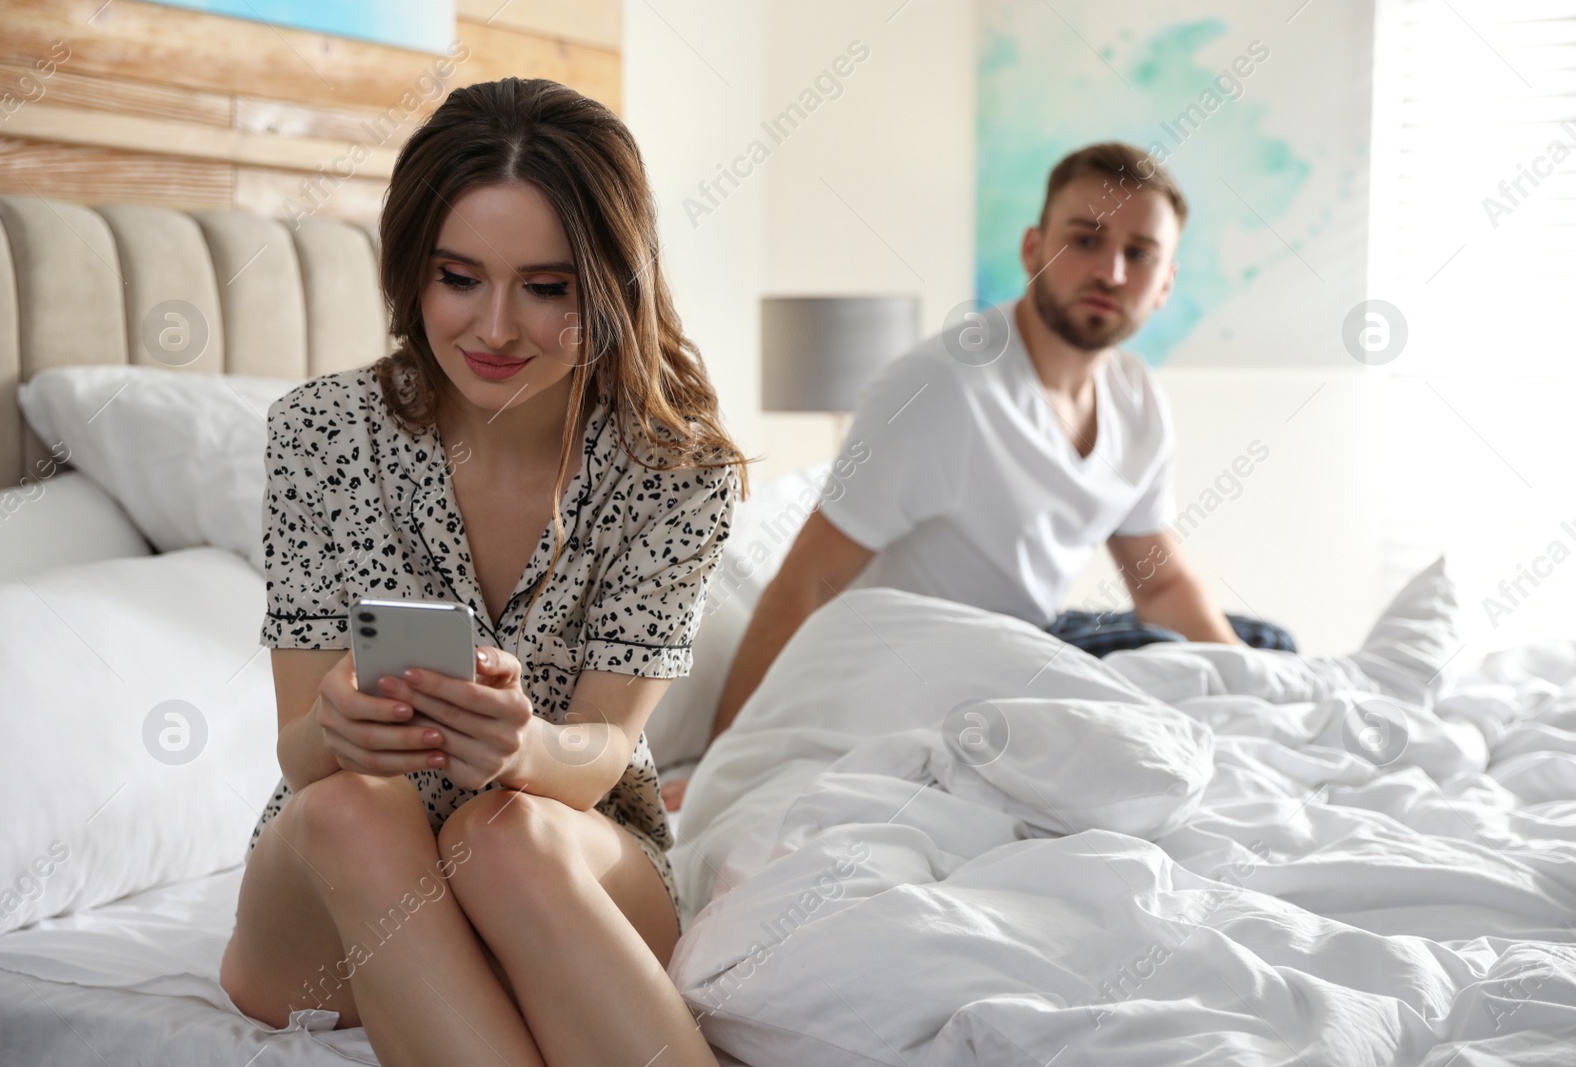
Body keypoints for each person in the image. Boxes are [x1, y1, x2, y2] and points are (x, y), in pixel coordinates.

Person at [219, 77, 743, 1067]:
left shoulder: (678, 472)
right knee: (347, 800)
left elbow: (601, 757)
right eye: (459, 277)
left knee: (505, 833)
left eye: (546, 288)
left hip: (561, 850)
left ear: (609, 285)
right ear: (414, 271)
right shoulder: (320, 436)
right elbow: (299, 760)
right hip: (335, 892)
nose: (496, 328)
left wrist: (524, 748)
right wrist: (335, 723)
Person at [663, 142, 1291, 813]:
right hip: (934, 669)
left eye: (1139, 253)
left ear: (1164, 283)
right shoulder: (942, 389)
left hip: (1028, 640)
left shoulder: (1137, 401)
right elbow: (808, 579)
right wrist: (719, 762)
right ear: (1032, 249)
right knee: (1178, 672)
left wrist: (1254, 691)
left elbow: (1160, 578)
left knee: (1267, 650)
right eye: (1086, 238)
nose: (1110, 269)